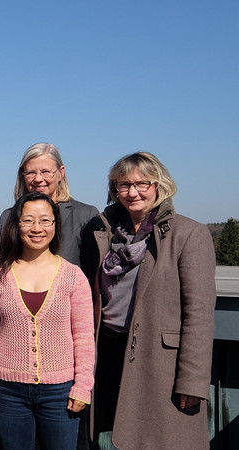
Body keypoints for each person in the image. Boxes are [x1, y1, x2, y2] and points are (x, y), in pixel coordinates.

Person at [83, 152, 215, 450]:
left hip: (160, 362)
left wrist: (192, 382)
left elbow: (199, 314)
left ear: (159, 185)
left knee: (160, 441)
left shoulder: (189, 233)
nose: (132, 192)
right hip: (108, 352)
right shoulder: (106, 234)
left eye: (142, 183)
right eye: (123, 185)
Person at [0, 192, 95, 450]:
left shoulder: (73, 277)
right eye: (28, 220)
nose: (37, 228)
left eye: (45, 220)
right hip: (8, 392)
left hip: (60, 392)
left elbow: (84, 335)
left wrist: (83, 385)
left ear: (55, 224)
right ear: (16, 225)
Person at [0, 143, 98, 267]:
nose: (38, 179)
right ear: (23, 175)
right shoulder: (8, 217)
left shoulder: (86, 215)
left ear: (61, 173)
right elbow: (0, 266)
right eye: (31, 172)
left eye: (45, 172)